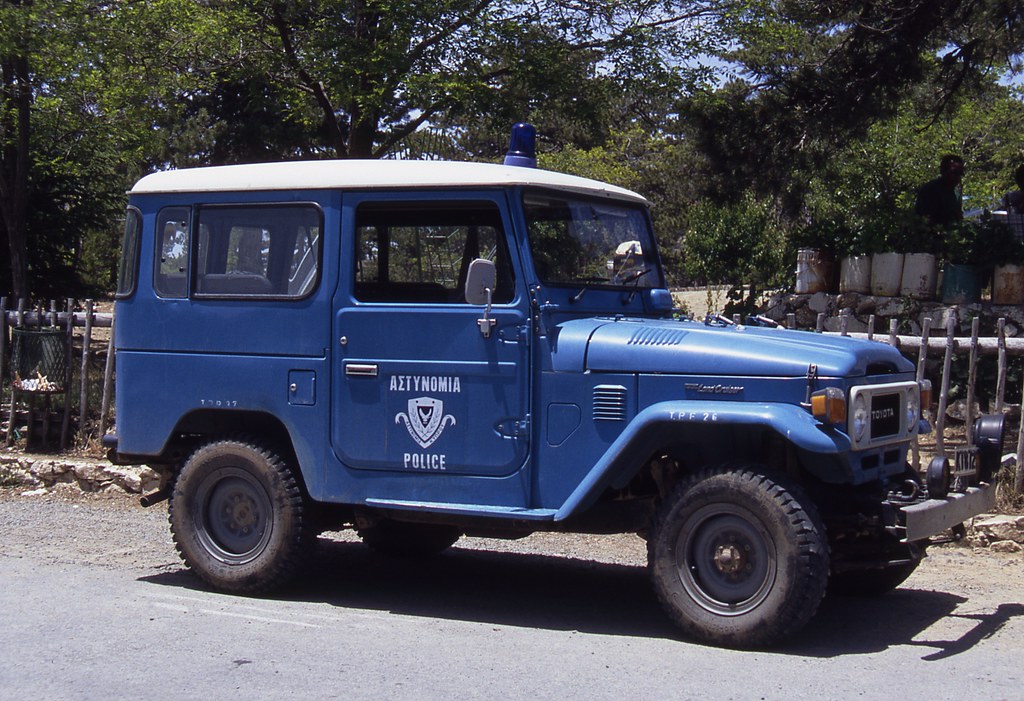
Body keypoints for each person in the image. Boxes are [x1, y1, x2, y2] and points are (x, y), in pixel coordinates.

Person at [914, 154, 965, 227]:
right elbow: (925, 219)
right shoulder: (930, 189)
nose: (957, 178)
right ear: (943, 171)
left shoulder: (956, 192)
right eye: (954, 173)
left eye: (960, 174)